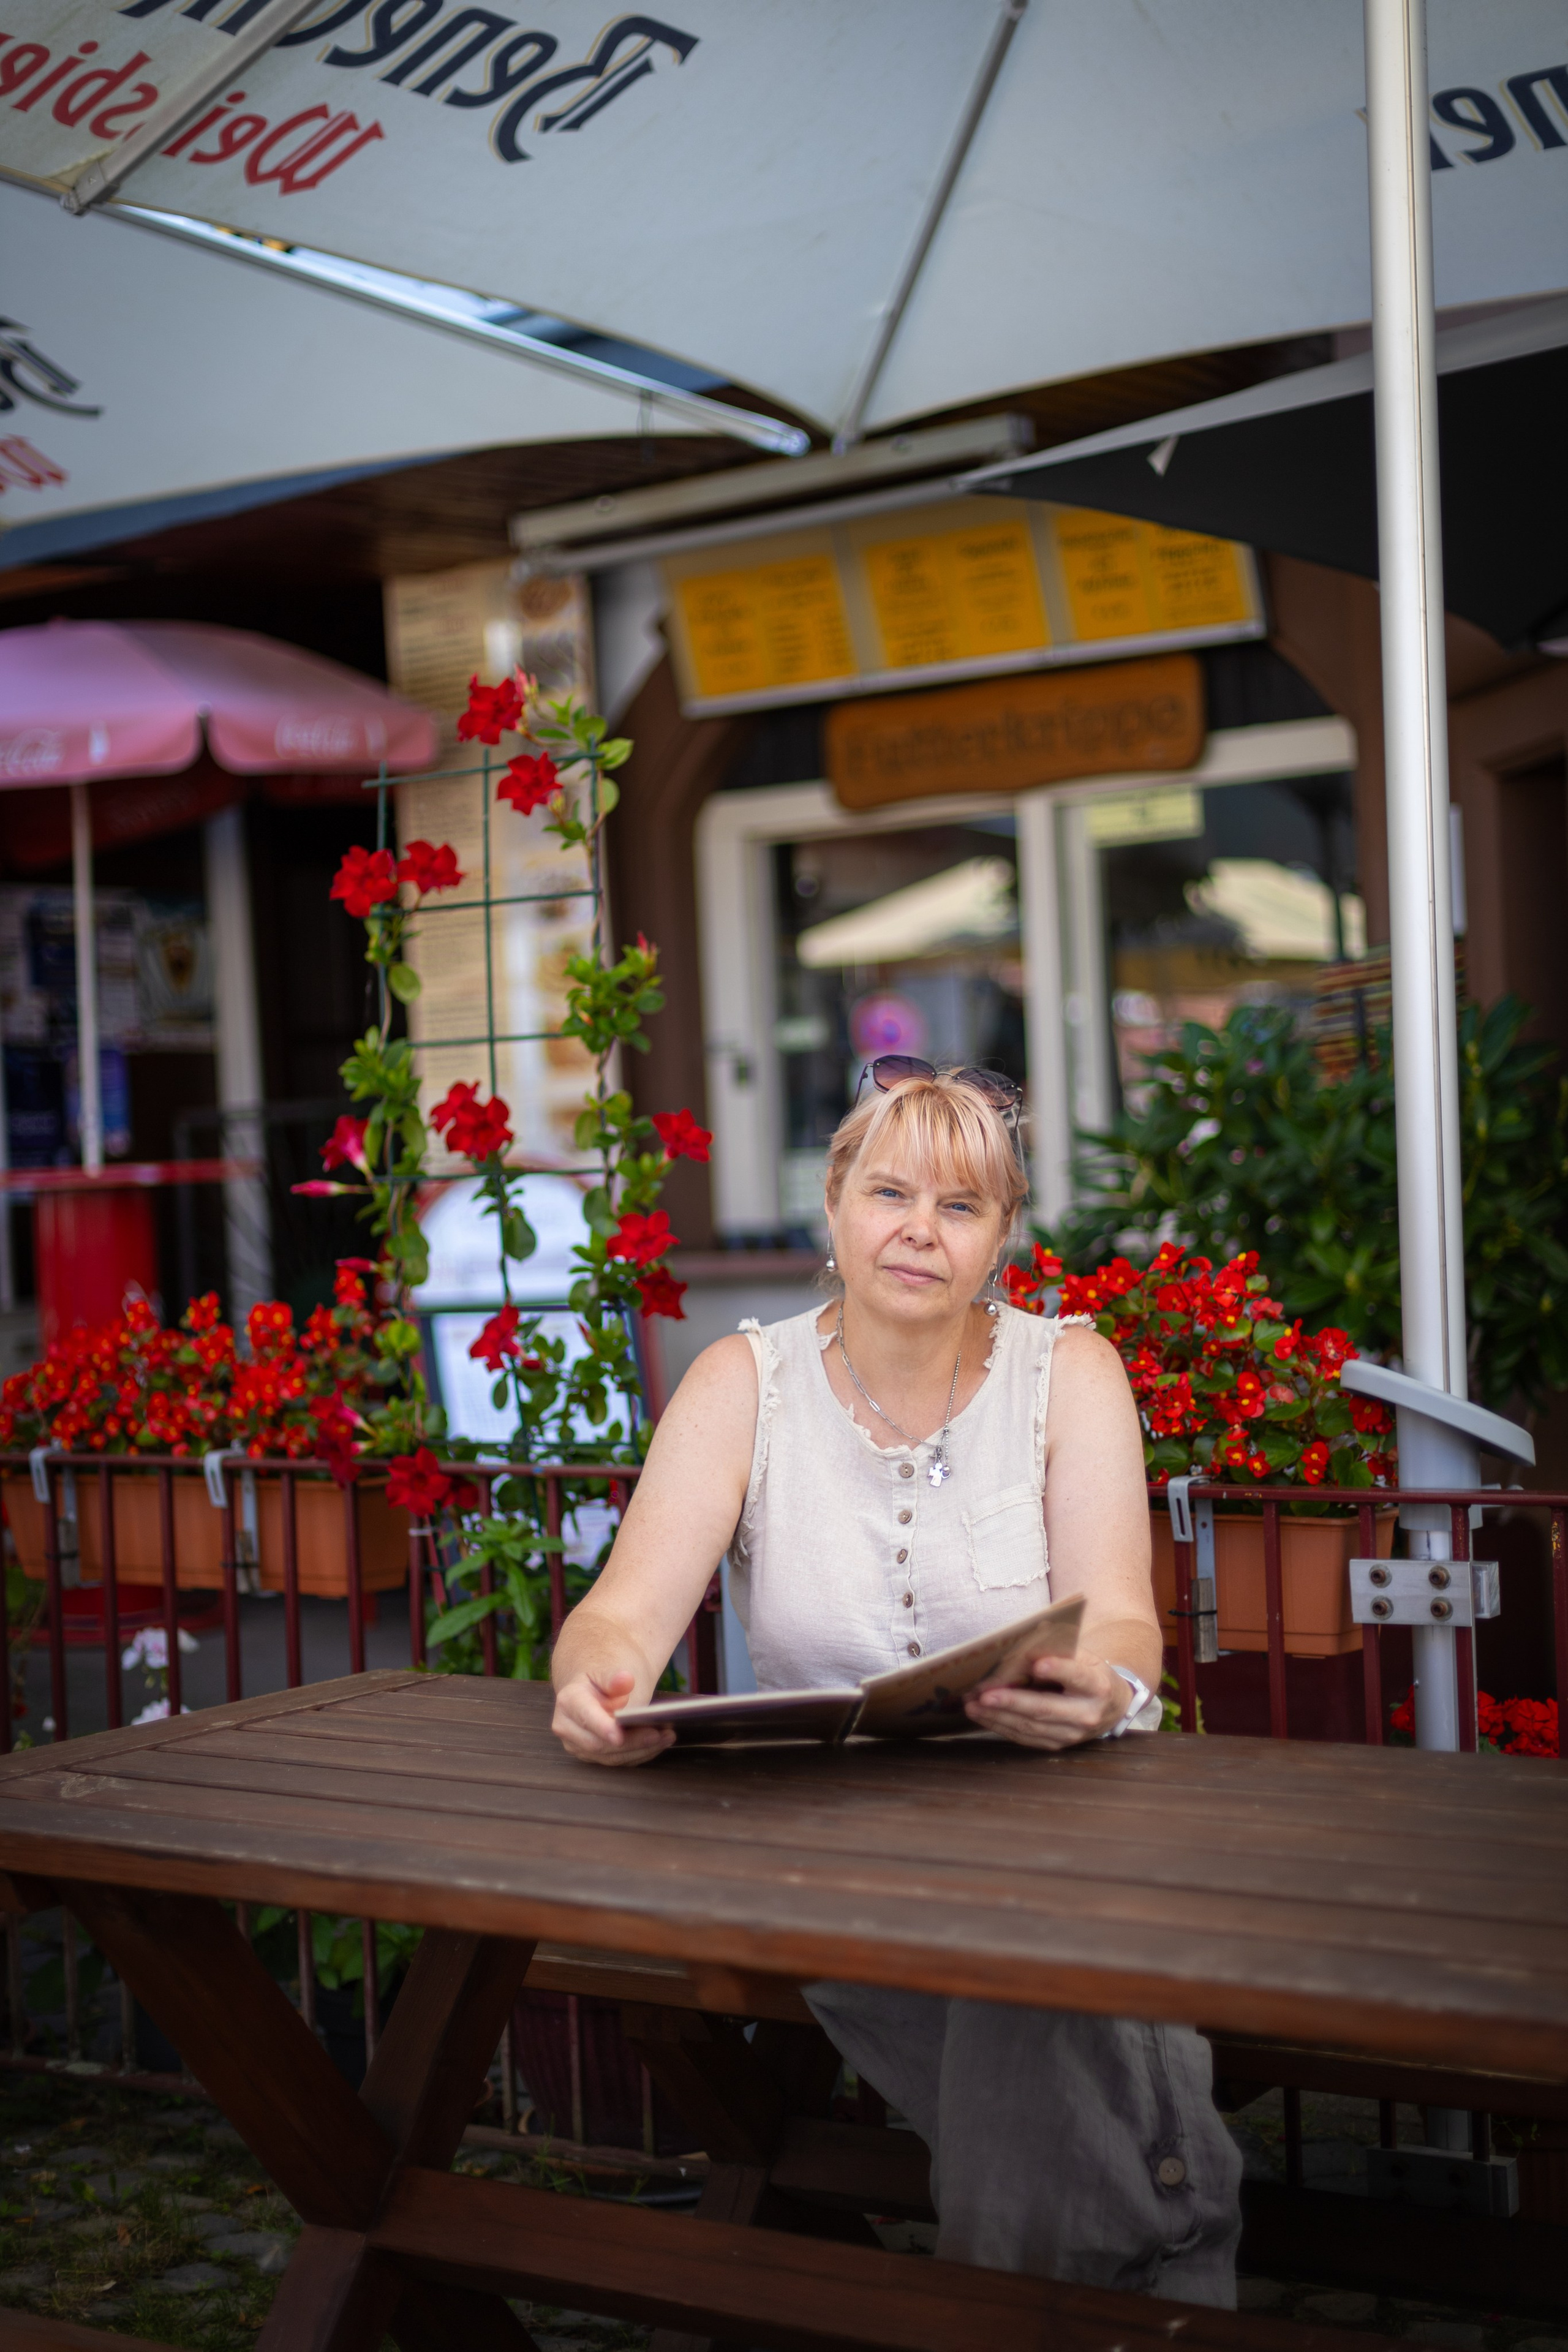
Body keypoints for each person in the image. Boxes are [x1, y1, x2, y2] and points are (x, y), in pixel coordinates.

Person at [551, 1063, 1243, 2302]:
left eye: (960, 1205)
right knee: (1031, 2004)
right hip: (835, 1848)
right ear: (831, 1211)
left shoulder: (1067, 1375)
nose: (917, 1228)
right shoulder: (740, 1383)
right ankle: (1157, 2264)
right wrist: (597, 1684)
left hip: (1055, 1820)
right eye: (886, 1192)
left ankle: (1035, 2300)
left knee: (1023, 1972)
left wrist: (1100, 1687)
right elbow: (620, 1612)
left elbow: (1126, 1621)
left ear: (1000, 1240)